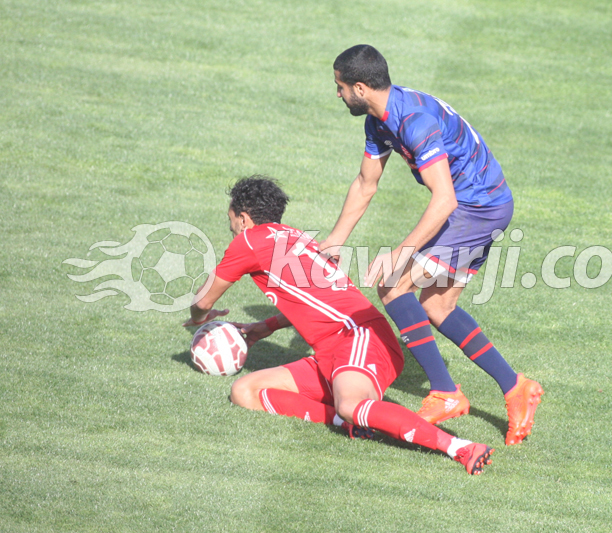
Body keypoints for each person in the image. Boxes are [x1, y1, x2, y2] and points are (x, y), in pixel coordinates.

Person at [183, 176, 494, 475]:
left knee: (351, 403)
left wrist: (199, 320)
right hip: (333, 349)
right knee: (244, 391)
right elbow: (314, 299)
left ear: (243, 219)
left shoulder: (248, 241)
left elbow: (204, 301)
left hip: (358, 337)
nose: (232, 230)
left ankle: (460, 447)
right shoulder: (295, 236)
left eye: (231, 222)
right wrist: (267, 326)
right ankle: (344, 422)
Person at [318, 44, 543, 446]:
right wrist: (336, 240)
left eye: (340, 87)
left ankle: (446, 392)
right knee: (437, 307)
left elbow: (445, 200)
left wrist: (399, 254)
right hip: (479, 205)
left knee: (393, 284)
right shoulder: (379, 120)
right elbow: (366, 183)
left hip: (478, 208)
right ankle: (516, 387)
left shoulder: (414, 121)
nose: (338, 94)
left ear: (360, 88)